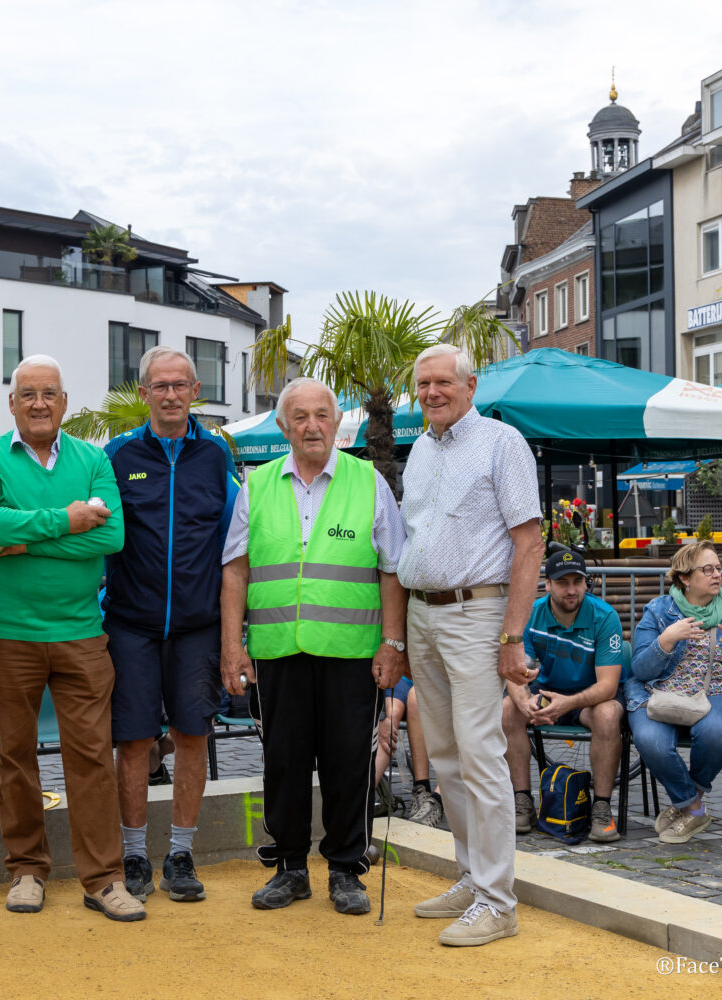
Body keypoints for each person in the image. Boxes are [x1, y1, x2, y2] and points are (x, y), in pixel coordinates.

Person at [0, 354, 144, 922]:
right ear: (11, 403)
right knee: (14, 756)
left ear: (64, 403)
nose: (39, 403)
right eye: (28, 394)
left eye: (50, 394)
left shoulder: (93, 459)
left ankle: (104, 879)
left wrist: (25, 537)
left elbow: (110, 536)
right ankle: (27, 871)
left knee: (90, 756)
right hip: (5, 633)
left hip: (81, 634)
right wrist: (66, 520)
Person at [220, 377, 406, 917]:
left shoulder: (368, 481)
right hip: (278, 651)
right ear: (283, 426)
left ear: (337, 422)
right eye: (299, 416)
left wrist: (392, 643)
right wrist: (234, 648)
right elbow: (236, 570)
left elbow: (392, 571)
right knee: (284, 762)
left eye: (322, 415)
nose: (312, 425)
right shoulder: (255, 487)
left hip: (352, 652)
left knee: (350, 762)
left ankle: (347, 868)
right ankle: (290, 867)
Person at [397, 343, 541, 947]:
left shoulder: (502, 443)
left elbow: (529, 543)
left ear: (470, 384)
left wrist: (512, 636)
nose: (432, 392)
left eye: (442, 383)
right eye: (423, 384)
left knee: (480, 756)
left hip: (477, 612)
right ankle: (471, 876)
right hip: (423, 614)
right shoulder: (420, 449)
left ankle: (498, 901)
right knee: (448, 758)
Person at [103, 346, 237, 903]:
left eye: (181, 384)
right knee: (133, 741)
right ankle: (133, 856)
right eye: (160, 385)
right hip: (130, 624)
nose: (171, 394)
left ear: (196, 390)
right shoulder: (115, 453)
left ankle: (180, 854)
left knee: (191, 736)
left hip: (196, 625)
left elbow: (236, 545)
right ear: (143, 393)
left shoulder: (217, 456)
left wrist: (235, 635)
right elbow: (98, 531)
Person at [627, 541, 722, 845]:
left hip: (721, 689)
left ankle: (688, 803)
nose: (716, 575)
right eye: (707, 569)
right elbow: (641, 670)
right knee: (650, 739)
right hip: (662, 688)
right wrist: (666, 640)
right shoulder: (659, 610)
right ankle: (692, 806)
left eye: (718, 568)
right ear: (685, 578)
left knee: (715, 732)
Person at [503, 550, 625, 842]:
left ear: (586, 583)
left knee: (608, 715)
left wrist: (567, 703)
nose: (571, 589)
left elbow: (608, 687)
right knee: (508, 709)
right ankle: (522, 802)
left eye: (577, 581)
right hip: (546, 695)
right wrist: (524, 700)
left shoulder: (604, 616)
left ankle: (602, 808)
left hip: (591, 699)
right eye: (563, 582)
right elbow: (516, 671)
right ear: (548, 584)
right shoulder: (532, 614)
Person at [373, 682, 442, 827]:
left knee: (417, 695)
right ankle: (358, 804)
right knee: (389, 717)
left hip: (446, 675)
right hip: (405, 672)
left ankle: (440, 797)